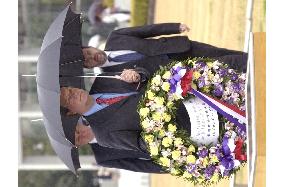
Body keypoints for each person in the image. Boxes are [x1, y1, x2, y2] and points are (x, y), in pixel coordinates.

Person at [81, 23, 247, 74]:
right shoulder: (112, 77)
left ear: (90, 47)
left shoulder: (115, 37)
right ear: (88, 67)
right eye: (87, 61)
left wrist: (175, 27)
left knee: (222, 53)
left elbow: (148, 30)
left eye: (88, 53)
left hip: (180, 48)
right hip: (179, 73)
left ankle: (258, 57)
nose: (92, 57)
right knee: (223, 65)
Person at [74, 121, 165, 173]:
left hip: (159, 122)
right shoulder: (101, 158)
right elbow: (136, 166)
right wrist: (166, 168)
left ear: (78, 124)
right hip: (164, 151)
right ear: (79, 146)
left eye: (77, 131)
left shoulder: (101, 116)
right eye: (78, 139)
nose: (81, 135)